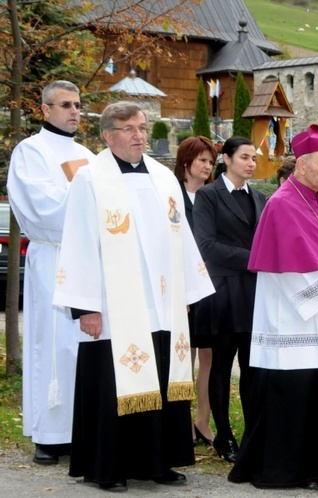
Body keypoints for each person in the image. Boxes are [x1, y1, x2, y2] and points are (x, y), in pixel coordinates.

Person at [52, 101, 215, 491]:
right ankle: (106, 467)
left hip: (161, 305)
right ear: (108, 136)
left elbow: (182, 238)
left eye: (142, 127)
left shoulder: (162, 177)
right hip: (114, 308)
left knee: (161, 379)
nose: (140, 135)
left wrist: (187, 292)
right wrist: (86, 306)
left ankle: (156, 463)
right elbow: (77, 243)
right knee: (113, 386)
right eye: (129, 129)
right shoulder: (91, 179)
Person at [228, 125, 318, 489]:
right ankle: (293, 470)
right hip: (293, 320)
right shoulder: (282, 204)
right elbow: (291, 269)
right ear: (301, 165)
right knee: (298, 394)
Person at [7, 80, 96, 465]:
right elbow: (40, 205)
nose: (74, 111)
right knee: (52, 343)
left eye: (78, 105)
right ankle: (48, 435)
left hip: (87, 260)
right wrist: (85, 200)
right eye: (65, 105)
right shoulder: (30, 151)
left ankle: (81, 430)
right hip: (53, 257)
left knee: (85, 345)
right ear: (45, 109)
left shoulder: (89, 156)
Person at [191, 136, 266, 463]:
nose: (251, 162)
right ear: (226, 159)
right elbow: (205, 245)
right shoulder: (209, 195)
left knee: (252, 368)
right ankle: (224, 435)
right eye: (245, 157)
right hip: (221, 292)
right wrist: (254, 257)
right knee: (221, 366)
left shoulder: (261, 197)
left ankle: (252, 435)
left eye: (254, 157)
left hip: (255, 293)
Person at [174, 136, 216, 449]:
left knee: (209, 355)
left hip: (212, 286)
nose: (206, 167)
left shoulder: (213, 197)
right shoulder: (172, 195)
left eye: (211, 162)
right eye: (202, 160)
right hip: (183, 286)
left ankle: (203, 419)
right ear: (186, 161)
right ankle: (181, 421)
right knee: (183, 356)